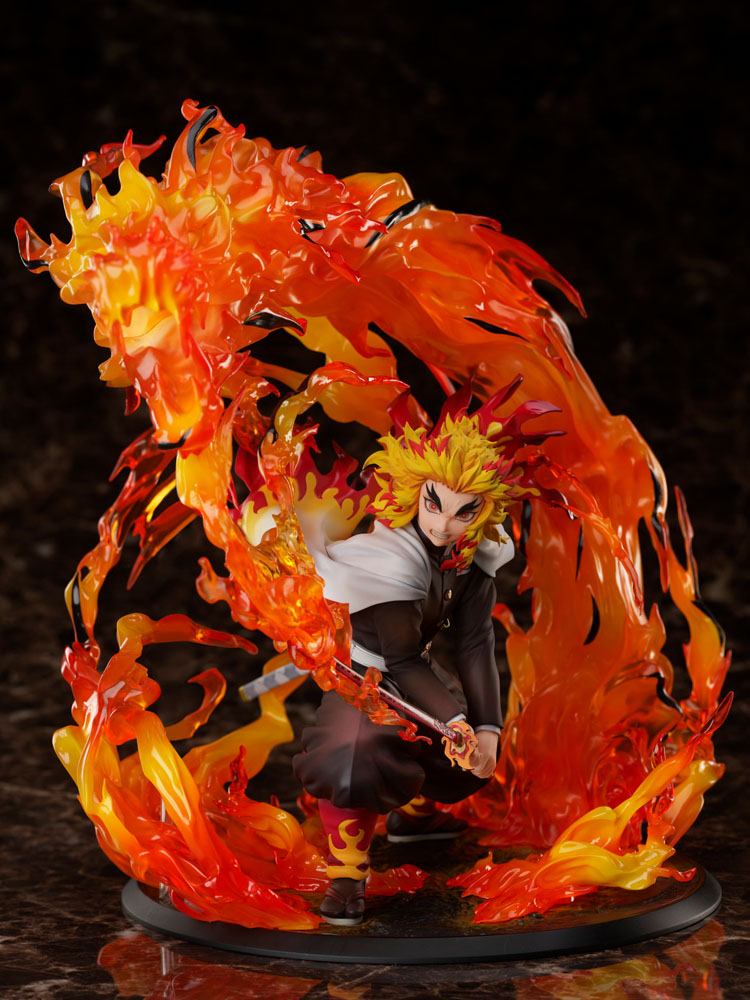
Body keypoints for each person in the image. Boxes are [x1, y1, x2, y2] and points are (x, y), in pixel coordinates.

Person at [292, 405, 518, 925]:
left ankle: (414, 814)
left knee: (461, 755)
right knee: (354, 757)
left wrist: (486, 727)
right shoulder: (390, 558)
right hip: (366, 678)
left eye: (464, 512)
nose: (444, 525)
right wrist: (457, 723)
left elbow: (475, 643)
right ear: (415, 491)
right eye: (434, 504)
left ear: (484, 509)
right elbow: (400, 659)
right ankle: (347, 875)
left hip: (417, 672)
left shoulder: (474, 555)